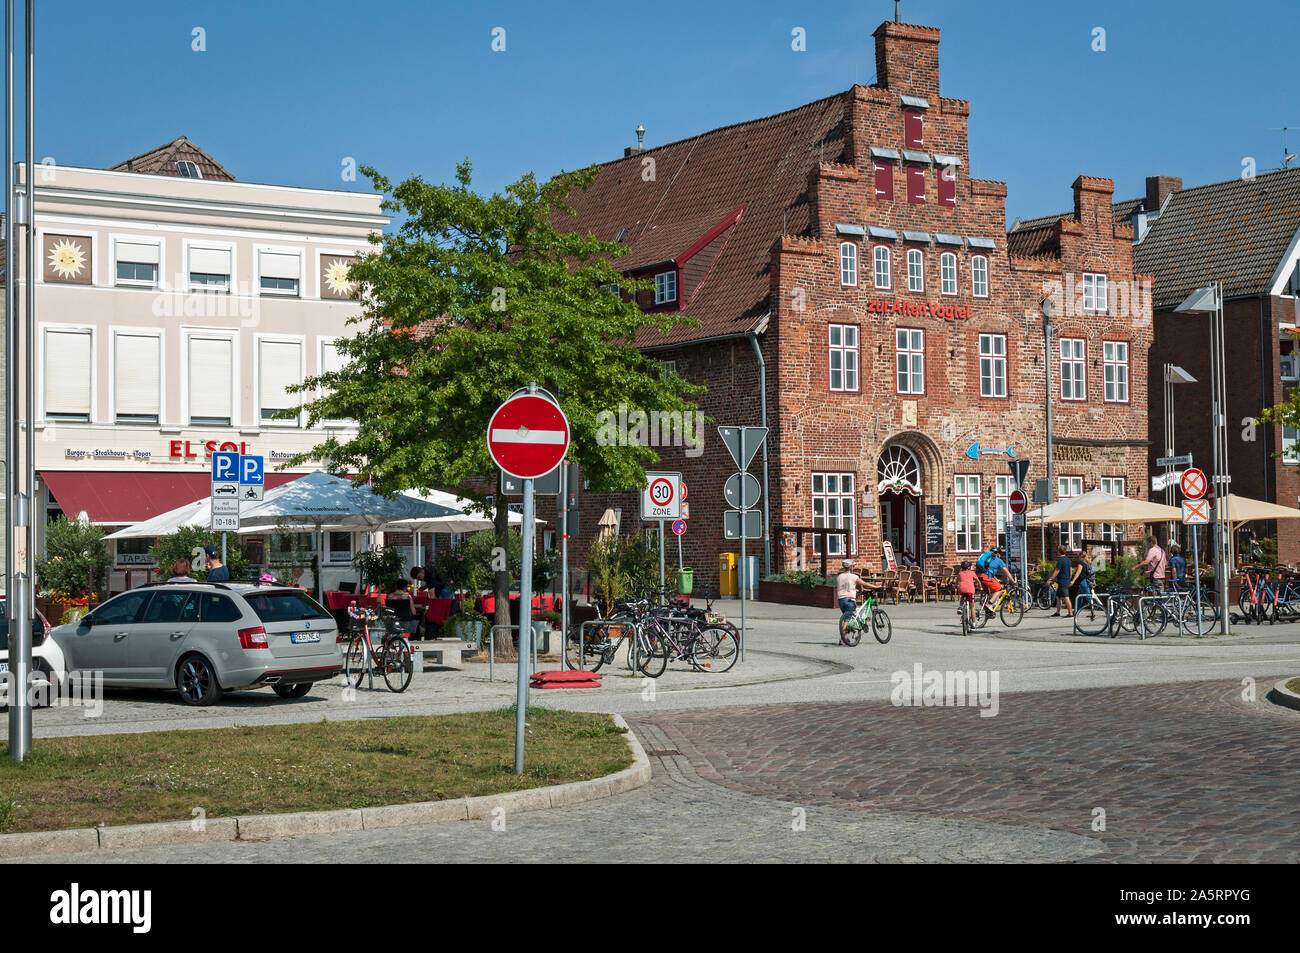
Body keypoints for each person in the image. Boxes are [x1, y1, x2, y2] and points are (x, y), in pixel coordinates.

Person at [835, 558, 866, 645]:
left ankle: (846, 637)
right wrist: (875, 587)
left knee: (846, 618)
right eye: (853, 566)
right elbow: (864, 584)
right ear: (851, 567)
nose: (854, 567)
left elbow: (844, 586)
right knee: (847, 619)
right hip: (849, 600)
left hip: (841, 600)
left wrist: (854, 589)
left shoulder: (839, 576)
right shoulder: (854, 577)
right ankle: (842, 639)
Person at [974, 547, 1013, 613]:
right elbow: (1007, 572)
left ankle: (986, 611)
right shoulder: (998, 561)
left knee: (989, 592)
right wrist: (1013, 581)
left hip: (979, 576)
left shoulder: (987, 559)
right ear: (997, 554)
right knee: (999, 589)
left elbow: (989, 571)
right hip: (986, 577)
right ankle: (989, 604)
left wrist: (996, 579)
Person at [1046, 546, 1074, 616]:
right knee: (1058, 597)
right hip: (1066, 580)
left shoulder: (1060, 560)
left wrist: (1050, 579)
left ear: (1059, 551)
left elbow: (1056, 571)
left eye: (1057, 551)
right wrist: (1069, 578)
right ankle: (1058, 612)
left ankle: (1070, 613)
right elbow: (1071, 570)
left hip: (1062, 581)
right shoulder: (1068, 560)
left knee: (1066, 597)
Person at [956, 560, 979, 626]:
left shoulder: (960, 573)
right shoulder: (972, 573)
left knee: (962, 597)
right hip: (970, 591)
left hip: (962, 590)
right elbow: (977, 581)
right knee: (972, 607)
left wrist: (955, 586)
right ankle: (974, 623)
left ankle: (960, 607)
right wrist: (980, 587)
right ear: (969, 567)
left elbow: (956, 582)